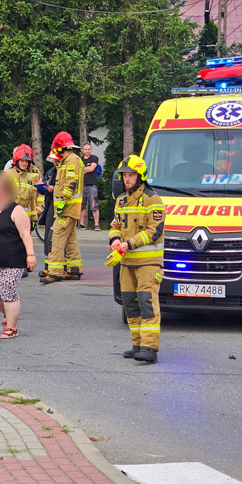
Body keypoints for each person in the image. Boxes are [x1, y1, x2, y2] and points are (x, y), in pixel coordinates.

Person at [108, 155, 165, 364]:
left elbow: (154, 231)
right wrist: (115, 240)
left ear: (140, 176)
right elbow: (115, 225)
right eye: (124, 175)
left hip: (149, 263)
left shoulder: (153, 199)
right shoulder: (121, 200)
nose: (127, 179)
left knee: (147, 303)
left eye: (131, 175)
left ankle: (150, 348)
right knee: (130, 304)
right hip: (127, 263)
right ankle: (138, 345)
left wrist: (128, 244)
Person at [0, 172, 37, 339]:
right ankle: (9, 313)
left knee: (8, 293)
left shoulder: (16, 210)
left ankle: (12, 328)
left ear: (4, 189)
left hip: (12, 261)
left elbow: (26, 235)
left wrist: (30, 255)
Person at [40, 131, 83, 284]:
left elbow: (70, 184)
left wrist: (63, 203)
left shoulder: (71, 160)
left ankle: (55, 272)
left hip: (67, 208)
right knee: (70, 239)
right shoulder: (69, 160)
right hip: (69, 208)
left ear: (60, 147)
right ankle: (73, 269)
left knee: (55, 237)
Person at [5, 144, 41, 221]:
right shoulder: (7, 173)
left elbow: (32, 200)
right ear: (17, 161)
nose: (24, 163)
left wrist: (34, 218)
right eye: (22, 161)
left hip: (25, 216)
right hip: (9, 214)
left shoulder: (30, 178)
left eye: (26, 161)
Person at [79, 143, 101, 230]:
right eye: (86, 149)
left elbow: (91, 168)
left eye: (89, 149)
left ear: (91, 150)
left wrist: (82, 169)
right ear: (82, 150)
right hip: (81, 185)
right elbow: (78, 170)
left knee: (94, 205)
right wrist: (85, 169)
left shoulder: (94, 158)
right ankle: (81, 224)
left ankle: (96, 224)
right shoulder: (80, 160)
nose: (87, 151)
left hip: (92, 185)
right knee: (81, 206)